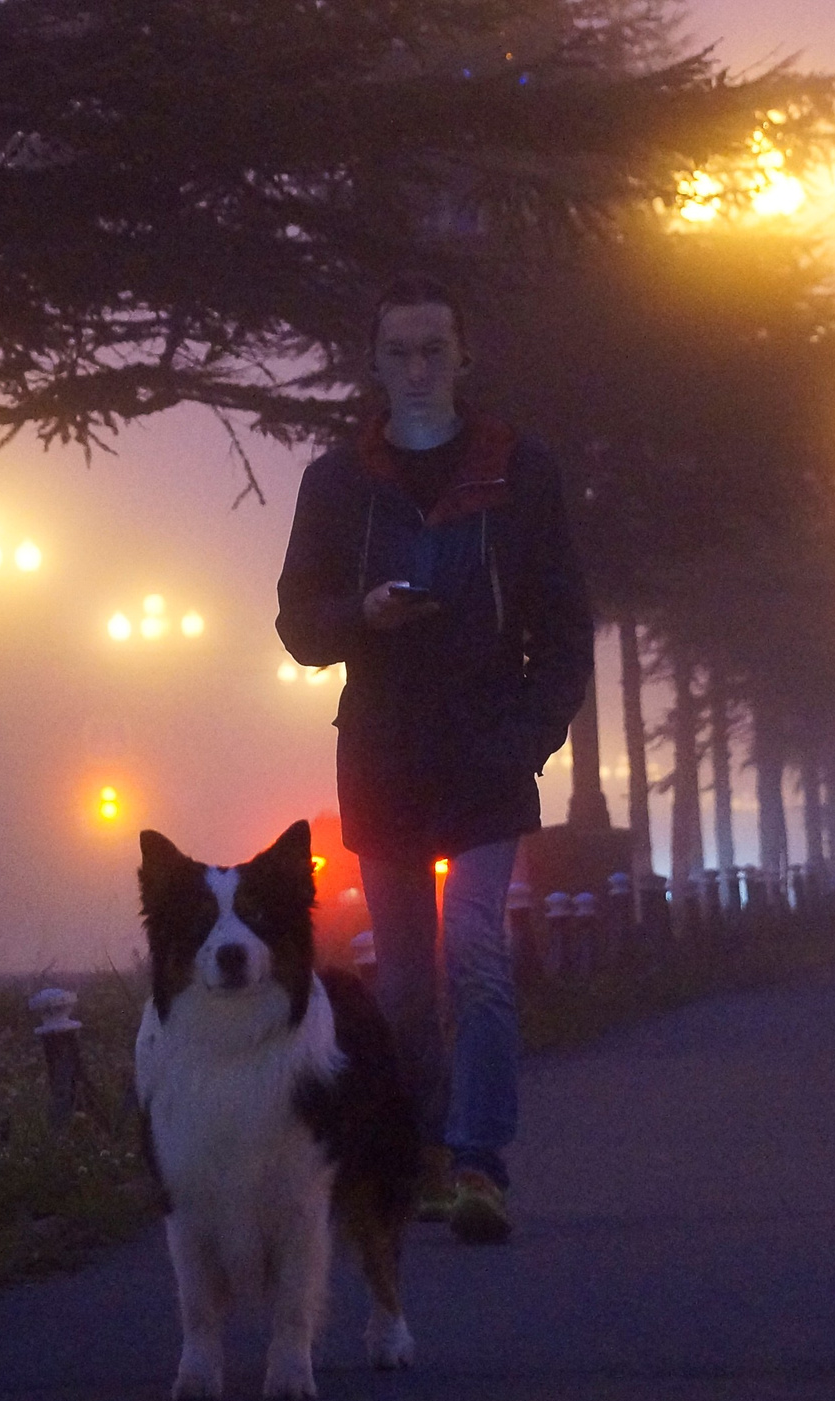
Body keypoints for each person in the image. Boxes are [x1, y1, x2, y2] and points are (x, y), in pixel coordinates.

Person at [274, 273, 592, 1245]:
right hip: (381, 753)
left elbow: (564, 627)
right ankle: (413, 1157)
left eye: (432, 350)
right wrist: (359, 616)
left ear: (464, 358)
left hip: (487, 754)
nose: (416, 368)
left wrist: (528, 735)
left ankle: (478, 1163)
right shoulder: (336, 485)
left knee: (480, 955)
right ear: (373, 365)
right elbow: (298, 624)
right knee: (405, 981)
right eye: (399, 352)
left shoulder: (518, 474)